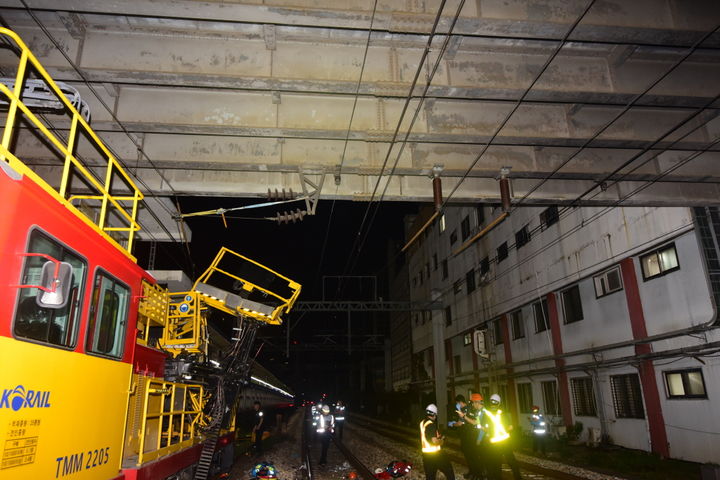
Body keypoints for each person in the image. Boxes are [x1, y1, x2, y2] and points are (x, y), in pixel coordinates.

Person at [480, 394, 521, 480]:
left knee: (495, 464)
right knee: (512, 462)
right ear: (499, 403)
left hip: (494, 444)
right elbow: (511, 427)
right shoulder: (503, 413)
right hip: (505, 442)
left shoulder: (486, 414)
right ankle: (518, 478)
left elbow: (483, 428)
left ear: (490, 402)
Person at [420, 404, 455, 480]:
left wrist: (438, 436)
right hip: (435, 455)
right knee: (449, 471)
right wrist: (442, 441)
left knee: (430, 477)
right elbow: (434, 441)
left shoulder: (423, 422)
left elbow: (427, 436)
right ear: (434, 414)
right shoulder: (431, 425)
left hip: (426, 456)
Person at [447, 395, 475, 478]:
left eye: (457, 403)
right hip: (467, 435)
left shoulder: (466, 409)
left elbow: (460, 423)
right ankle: (472, 472)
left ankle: (474, 473)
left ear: (459, 402)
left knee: (470, 456)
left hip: (468, 436)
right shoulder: (466, 408)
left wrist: (453, 424)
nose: (456, 404)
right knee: (469, 455)